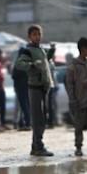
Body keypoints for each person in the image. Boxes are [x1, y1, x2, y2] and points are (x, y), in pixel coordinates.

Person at [14, 24, 54, 155]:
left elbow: (44, 62)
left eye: (39, 34)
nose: (37, 37)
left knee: (42, 117)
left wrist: (51, 52)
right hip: (35, 87)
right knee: (38, 119)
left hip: (43, 87)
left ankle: (34, 146)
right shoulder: (28, 50)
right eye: (34, 34)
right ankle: (38, 147)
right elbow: (19, 64)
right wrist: (32, 65)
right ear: (29, 37)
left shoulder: (40, 50)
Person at [11, 48, 31, 130]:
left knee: (23, 106)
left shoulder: (18, 63)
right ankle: (24, 122)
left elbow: (14, 76)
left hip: (20, 86)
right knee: (27, 105)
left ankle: (26, 123)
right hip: (28, 86)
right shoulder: (28, 63)